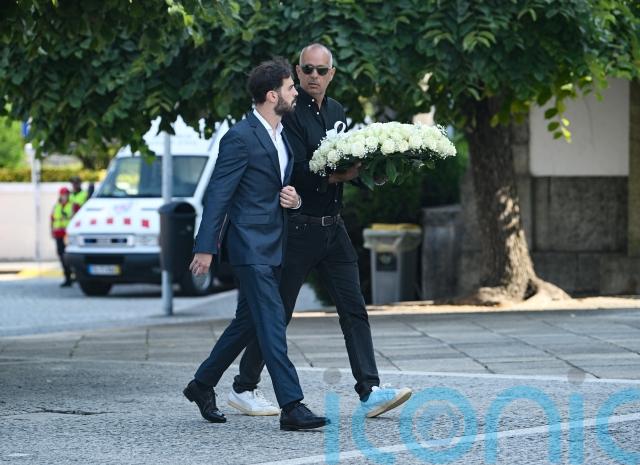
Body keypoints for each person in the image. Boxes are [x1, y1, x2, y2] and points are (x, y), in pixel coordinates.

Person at [229, 44, 412, 419]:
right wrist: (337, 176)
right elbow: (295, 169)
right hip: (298, 228)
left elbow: (345, 163)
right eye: (307, 69)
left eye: (321, 70)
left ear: (332, 74)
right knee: (278, 314)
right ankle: (244, 387)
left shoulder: (337, 111)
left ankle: (370, 391)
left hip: (333, 227)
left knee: (354, 308)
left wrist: (372, 171)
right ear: (298, 72)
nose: (314, 76)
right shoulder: (288, 112)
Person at [183, 58, 328, 431]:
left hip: (275, 242)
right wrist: (205, 247)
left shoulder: (282, 135)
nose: (296, 92)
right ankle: (292, 405)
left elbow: (278, 187)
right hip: (249, 246)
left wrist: (294, 199)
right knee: (271, 320)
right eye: (290, 87)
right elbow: (219, 195)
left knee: (247, 323)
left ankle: (201, 384)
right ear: (272, 95)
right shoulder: (240, 137)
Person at [50, 187, 74, 287]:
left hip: (67, 234)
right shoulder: (56, 206)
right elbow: (52, 219)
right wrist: (52, 231)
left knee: (68, 256)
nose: (64, 196)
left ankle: (72, 276)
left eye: (66, 194)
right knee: (61, 256)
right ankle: (67, 277)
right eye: (63, 194)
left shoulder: (72, 206)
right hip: (58, 234)